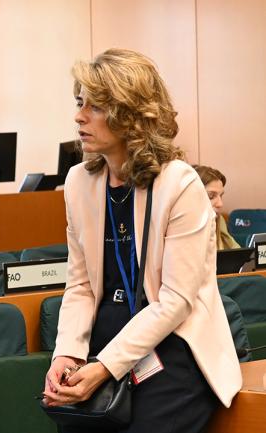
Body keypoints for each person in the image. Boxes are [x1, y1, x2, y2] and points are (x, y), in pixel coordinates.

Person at [42, 49, 241, 433]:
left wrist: (106, 366)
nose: (79, 116)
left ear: (130, 116)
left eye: (95, 107)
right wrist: (67, 352)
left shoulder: (179, 183)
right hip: (103, 338)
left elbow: (175, 301)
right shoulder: (78, 183)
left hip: (172, 346)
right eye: (79, 103)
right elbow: (81, 285)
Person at [193, 165, 241, 250]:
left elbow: (236, 250)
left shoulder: (218, 218)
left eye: (221, 196)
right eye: (211, 196)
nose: (220, 204)